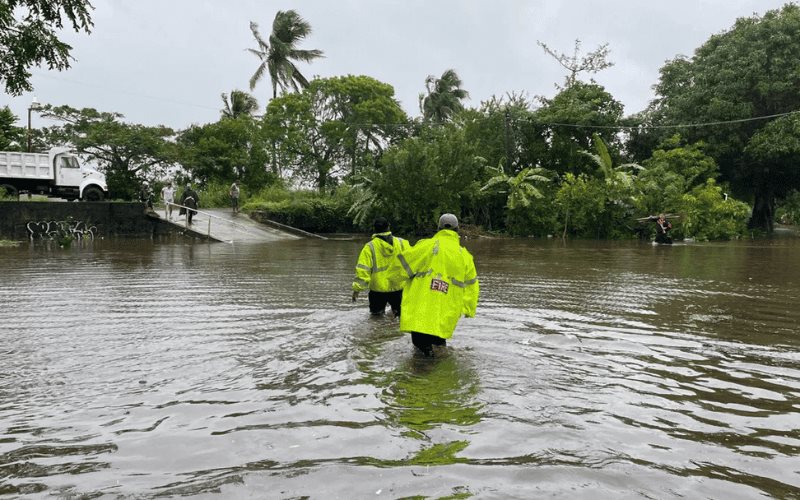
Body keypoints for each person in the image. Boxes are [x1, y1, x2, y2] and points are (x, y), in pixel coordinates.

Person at [389, 213, 479, 357]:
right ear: (457, 231)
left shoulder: (424, 246)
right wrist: (469, 309)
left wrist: (393, 288)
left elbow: (398, 269)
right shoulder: (465, 256)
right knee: (439, 349)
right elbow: (472, 286)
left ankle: (421, 375)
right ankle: (438, 376)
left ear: (438, 229)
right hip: (445, 314)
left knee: (420, 353)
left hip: (419, 312)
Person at [352, 217, 410, 317]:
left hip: (377, 290)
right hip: (398, 288)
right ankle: (398, 333)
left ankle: (377, 332)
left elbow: (363, 270)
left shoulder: (369, 247)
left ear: (374, 229)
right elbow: (414, 262)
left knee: (376, 318)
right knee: (401, 318)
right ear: (389, 226)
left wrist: (357, 289)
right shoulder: (402, 243)